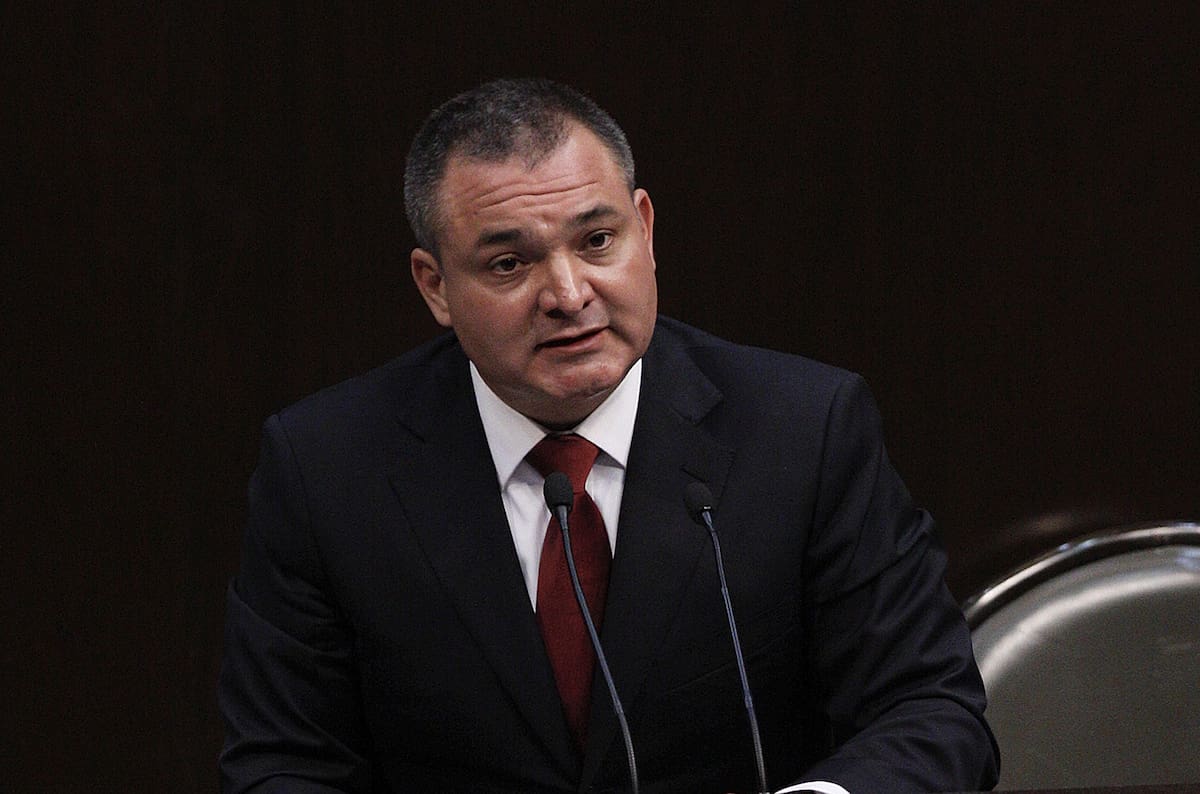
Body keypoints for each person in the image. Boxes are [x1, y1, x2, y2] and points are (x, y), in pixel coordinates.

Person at [219, 77, 999, 794]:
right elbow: (284, 763)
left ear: (646, 230)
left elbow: (930, 710)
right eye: (508, 263)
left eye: (597, 242)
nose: (567, 294)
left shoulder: (805, 429)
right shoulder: (327, 468)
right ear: (436, 286)